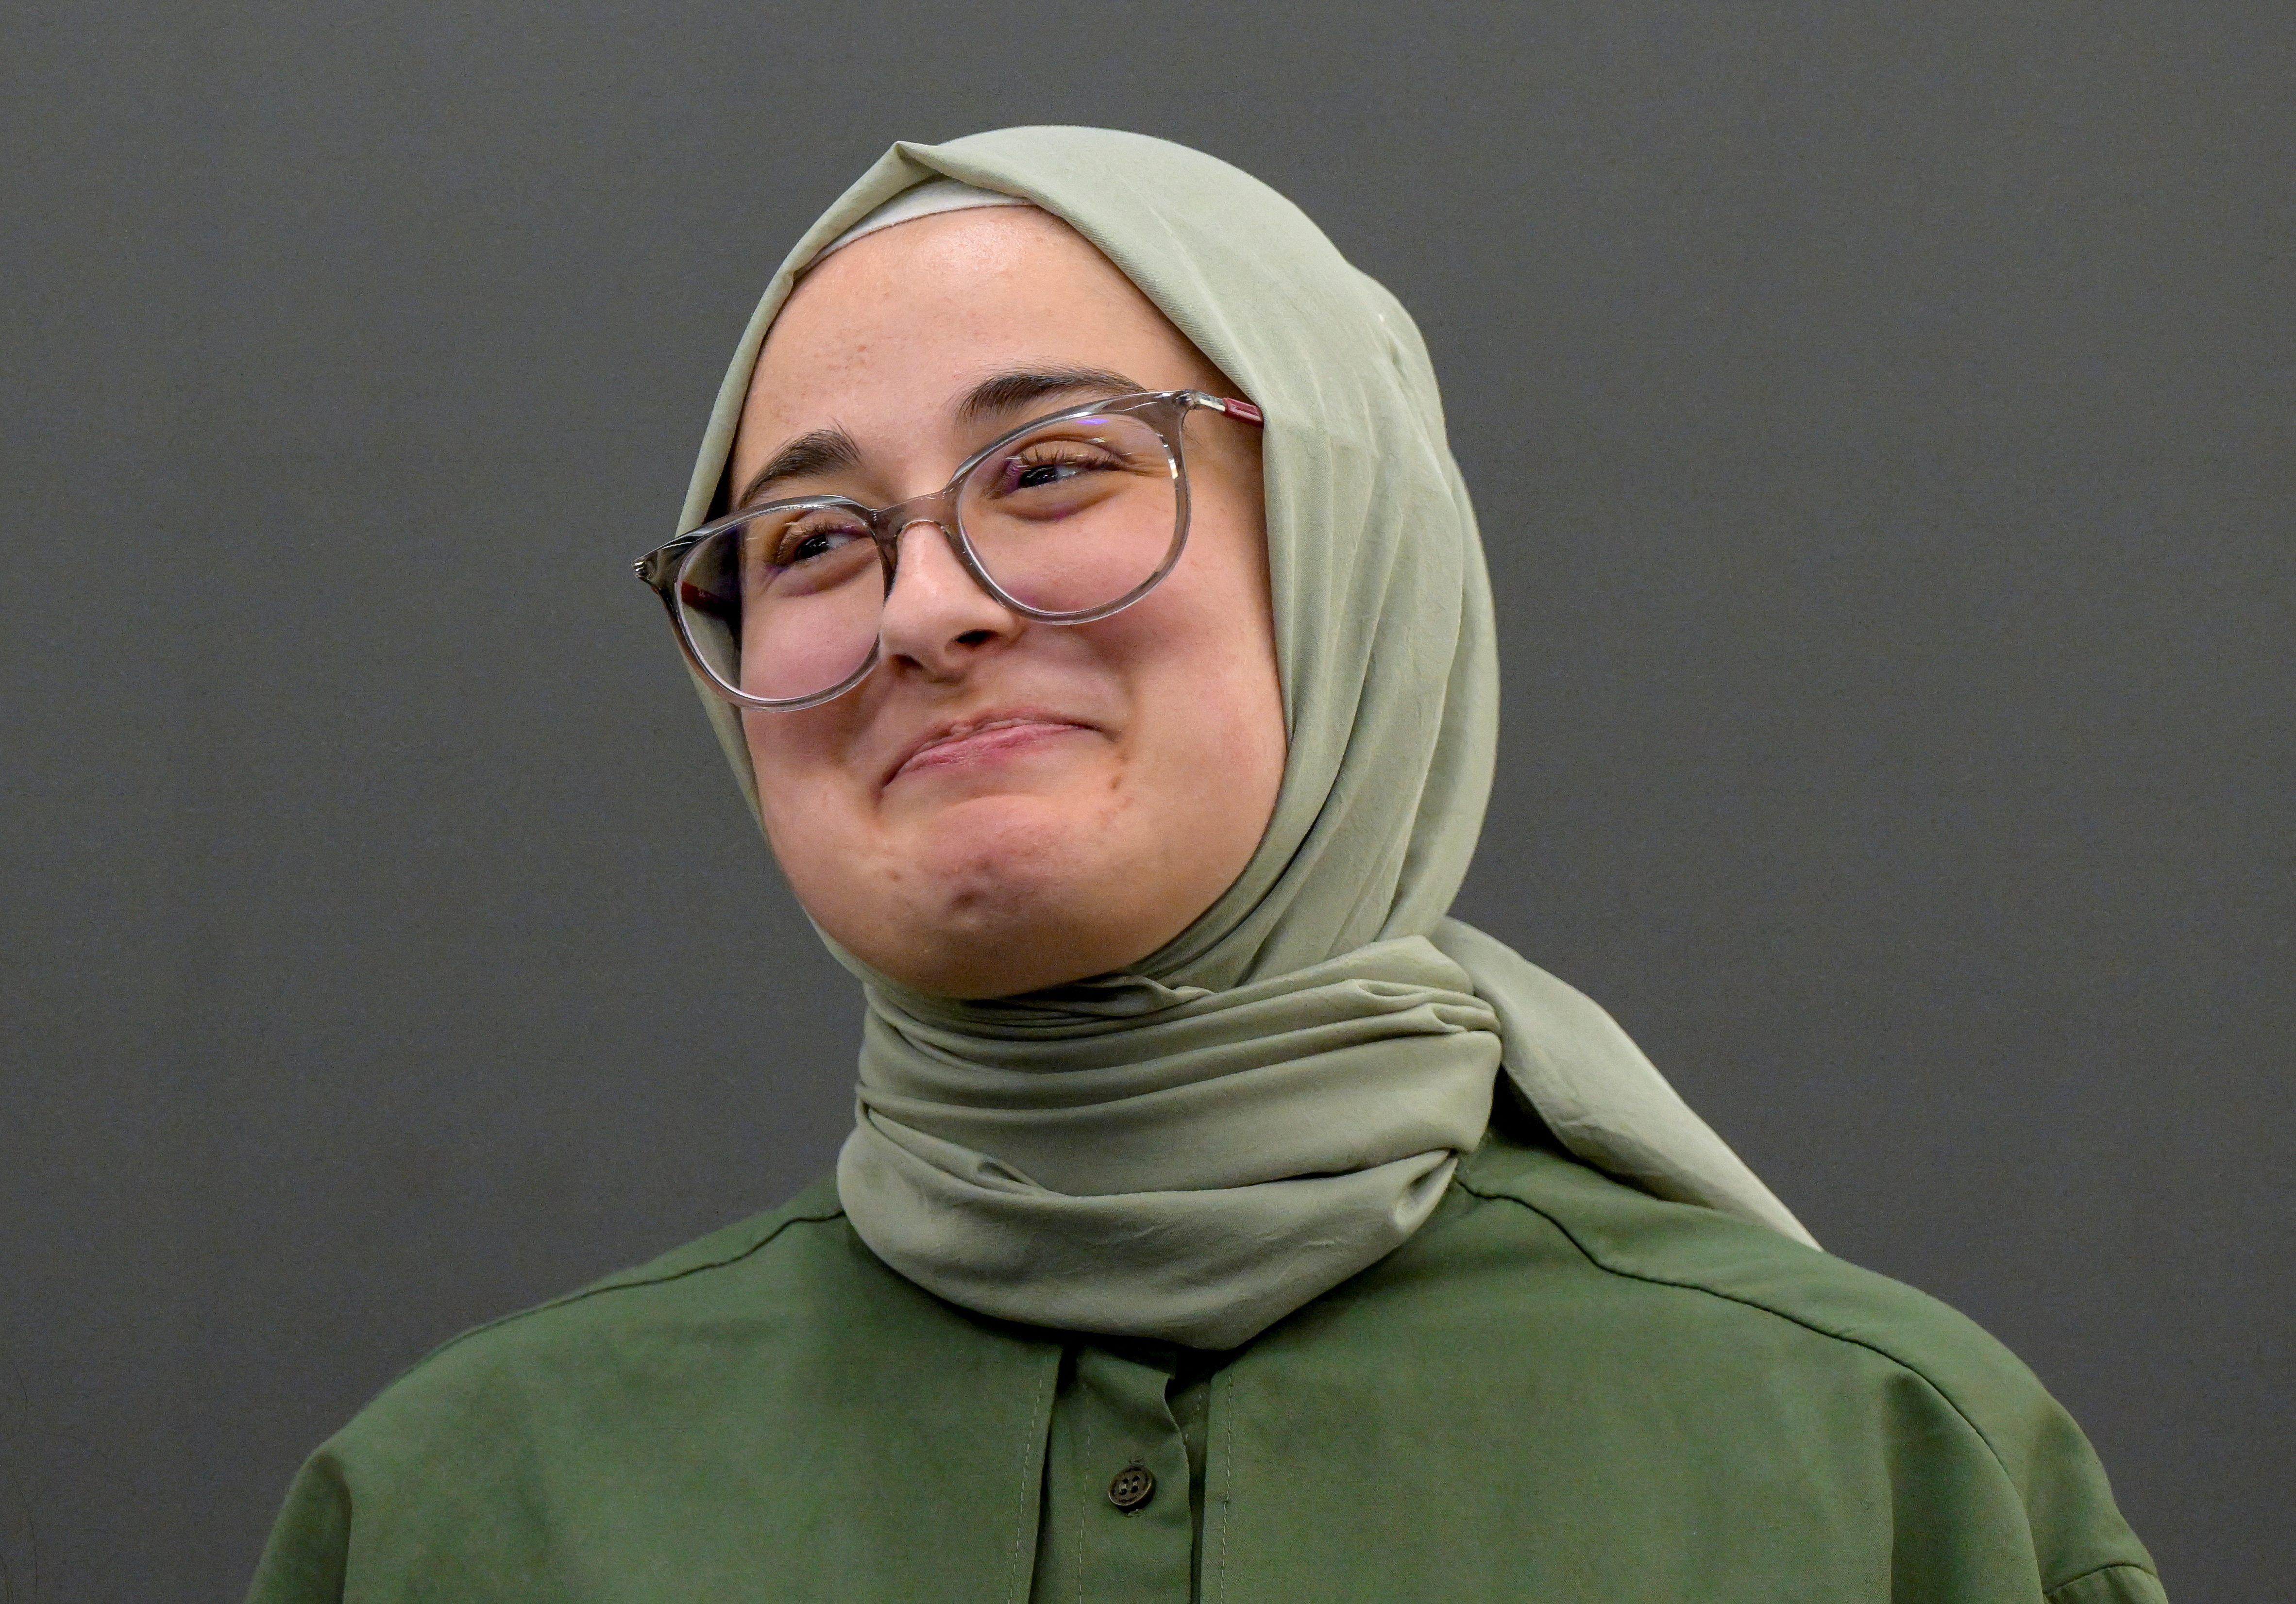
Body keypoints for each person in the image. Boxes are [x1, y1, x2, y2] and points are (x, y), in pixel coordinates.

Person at [246, 127, 2163, 1604]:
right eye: (811, 538)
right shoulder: (466, 1512)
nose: (923, 607)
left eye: (1059, 465)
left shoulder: (1887, 1473)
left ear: (1348, 550)